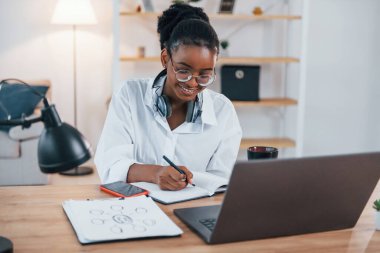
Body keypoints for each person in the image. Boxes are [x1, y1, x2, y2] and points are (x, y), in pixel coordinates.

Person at [95, 3, 242, 191]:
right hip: (137, 209)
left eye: (204, 75)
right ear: (165, 59)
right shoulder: (130, 95)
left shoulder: (223, 111)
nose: (191, 83)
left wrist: (187, 178)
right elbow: (110, 166)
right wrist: (156, 173)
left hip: (193, 210)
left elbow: (223, 181)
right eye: (183, 71)